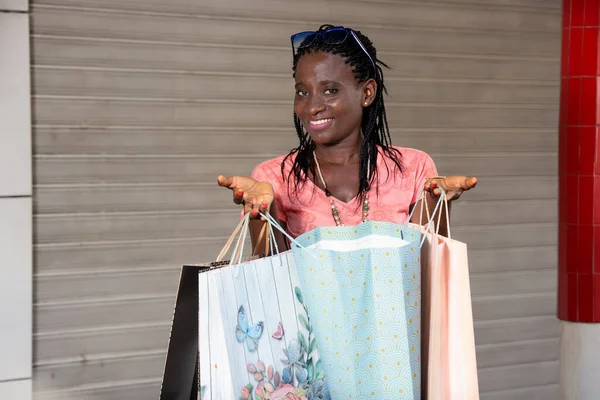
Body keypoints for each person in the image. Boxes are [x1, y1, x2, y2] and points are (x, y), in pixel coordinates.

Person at [218, 24, 477, 252]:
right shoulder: (275, 177)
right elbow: (269, 277)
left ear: (367, 93)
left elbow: (426, 269)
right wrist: (263, 213)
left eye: (330, 90)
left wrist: (435, 199)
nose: (312, 107)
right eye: (302, 92)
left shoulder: (413, 168)